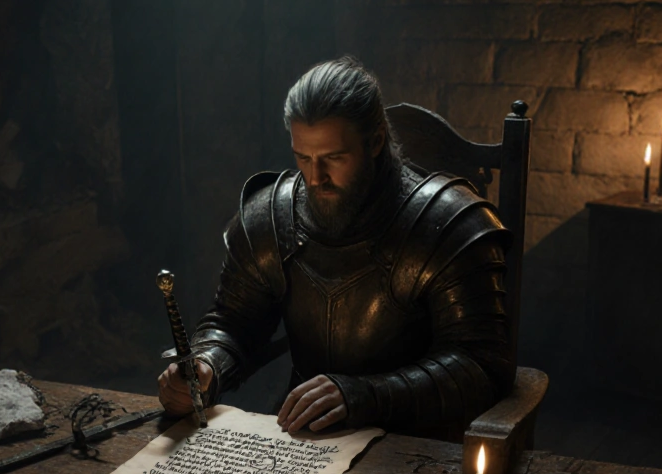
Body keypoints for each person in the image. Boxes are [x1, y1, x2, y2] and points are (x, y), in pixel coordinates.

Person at [157, 56, 513, 441]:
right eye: (303, 158)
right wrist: (207, 365)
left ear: (375, 141)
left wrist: (365, 395)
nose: (315, 178)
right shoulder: (272, 219)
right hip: (305, 434)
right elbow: (233, 322)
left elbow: (480, 366)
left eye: (334, 158)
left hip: (417, 440)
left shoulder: (446, 224)